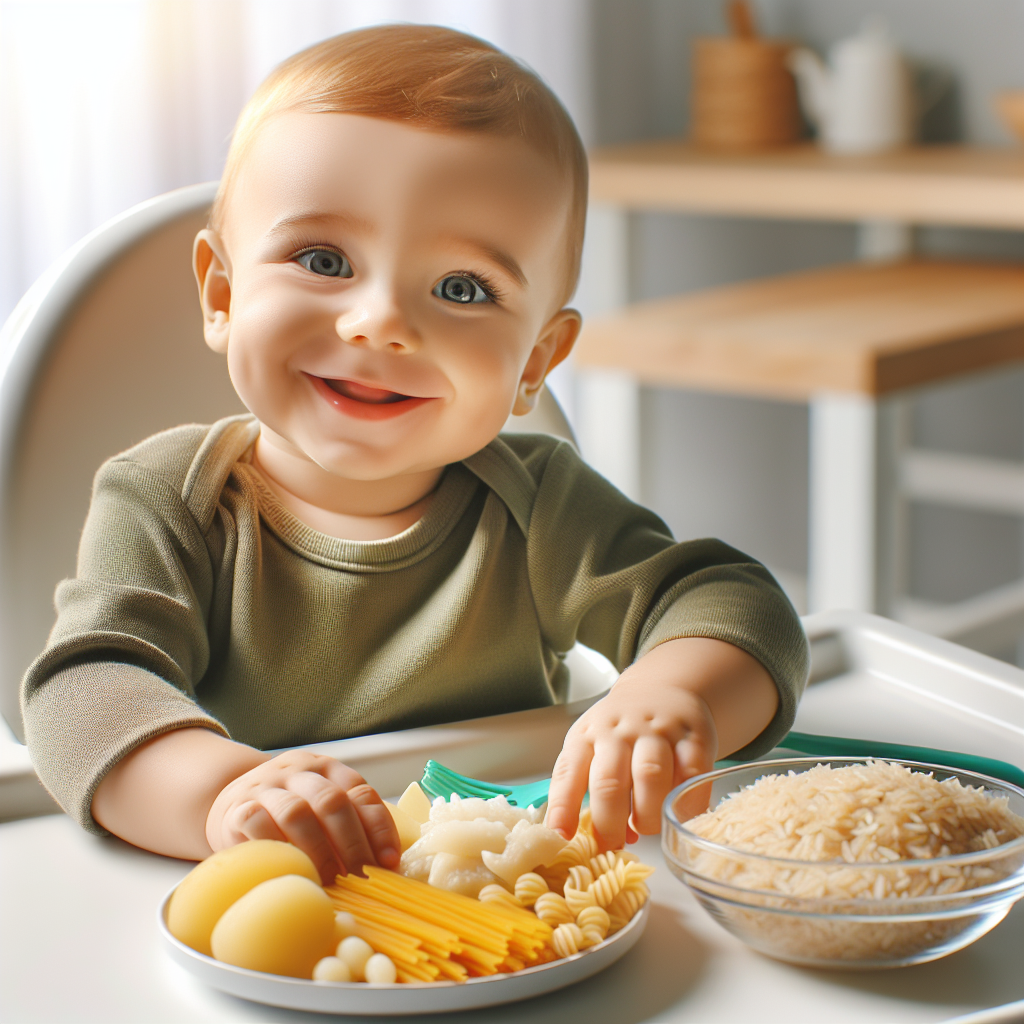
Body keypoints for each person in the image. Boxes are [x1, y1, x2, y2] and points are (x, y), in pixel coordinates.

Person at [21, 25, 808, 885]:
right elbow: (83, 695)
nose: (382, 322)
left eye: (462, 289)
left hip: (514, 904)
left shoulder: (538, 504)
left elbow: (734, 603)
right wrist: (221, 792)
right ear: (223, 294)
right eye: (324, 260)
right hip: (268, 903)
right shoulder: (171, 500)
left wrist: (673, 694)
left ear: (536, 364)